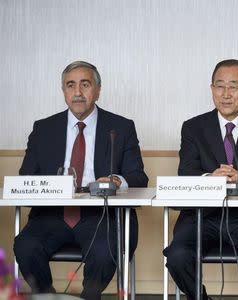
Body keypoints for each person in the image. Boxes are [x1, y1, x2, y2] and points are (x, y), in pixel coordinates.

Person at [14, 61, 148, 300]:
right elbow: (26, 177)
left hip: (102, 217)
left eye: (85, 84)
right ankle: (47, 296)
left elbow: (139, 176)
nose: (77, 92)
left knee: (105, 252)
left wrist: (116, 181)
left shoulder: (121, 127)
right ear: (63, 91)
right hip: (51, 214)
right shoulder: (43, 128)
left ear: (97, 89)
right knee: (25, 246)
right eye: (70, 85)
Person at [163, 59, 238, 300]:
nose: (226, 94)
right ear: (211, 89)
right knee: (176, 256)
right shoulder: (193, 127)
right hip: (201, 215)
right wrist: (210, 179)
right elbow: (186, 172)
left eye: (234, 86)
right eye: (220, 86)